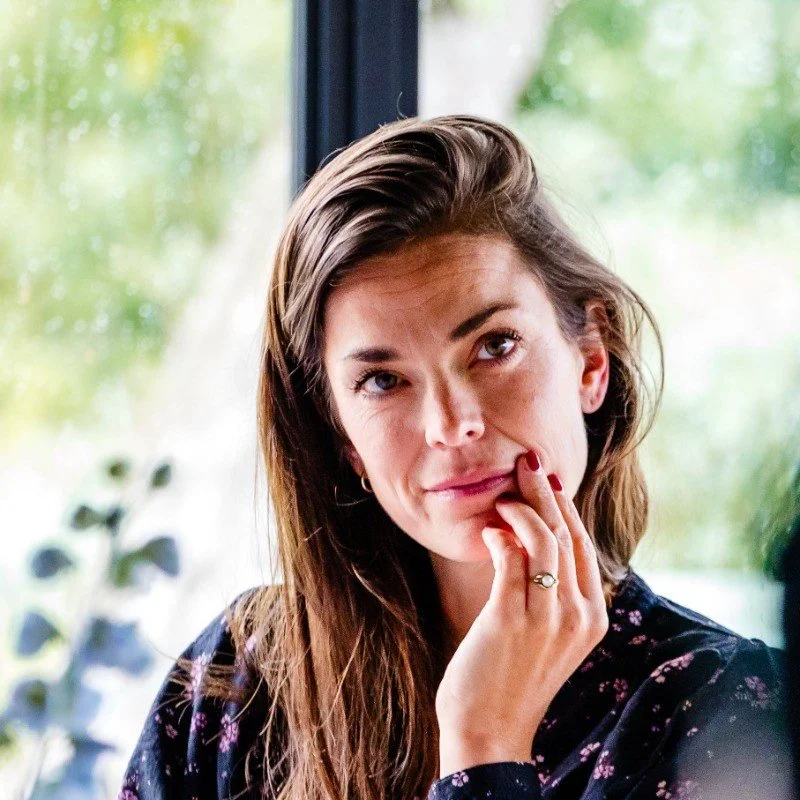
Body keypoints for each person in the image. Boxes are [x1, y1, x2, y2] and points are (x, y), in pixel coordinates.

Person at [117, 114, 794, 800]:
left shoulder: (732, 708)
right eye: (383, 381)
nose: (452, 425)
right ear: (342, 435)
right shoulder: (239, 680)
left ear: (591, 358)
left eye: (495, 347)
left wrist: (483, 745)